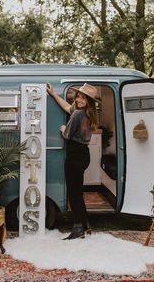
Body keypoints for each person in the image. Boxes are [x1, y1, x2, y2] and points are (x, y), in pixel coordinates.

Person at [46, 82, 99, 240]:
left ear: (88, 101)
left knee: (73, 193)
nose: (79, 99)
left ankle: (78, 229)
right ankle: (85, 225)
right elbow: (67, 107)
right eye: (79, 96)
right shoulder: (88, 113)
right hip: (83, 154)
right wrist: (54, 94)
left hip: (75, 155)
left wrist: (63, 129)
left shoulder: (77, 114)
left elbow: (67, 135)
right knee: (78, 192)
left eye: (83, 98)